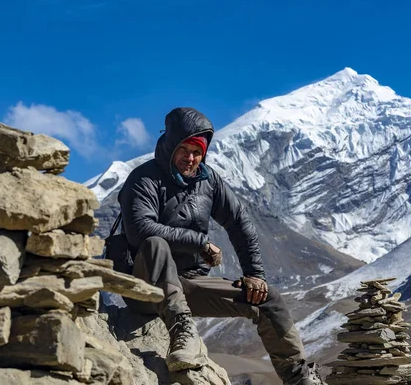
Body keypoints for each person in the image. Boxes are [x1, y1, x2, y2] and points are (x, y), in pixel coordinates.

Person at [117, 107, 326, 385]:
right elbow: (140, 230)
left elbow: (239, 223)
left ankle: (299, 379)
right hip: (145, 285)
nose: (190, 158)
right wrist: (200, 242)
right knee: (156, 244)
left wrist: (255, 276)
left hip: (187, 283)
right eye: (184, 149)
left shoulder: (208, 180)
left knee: (267, 300)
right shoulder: (144, 179)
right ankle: (183, 333)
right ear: (170, 146)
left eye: (197, 152)